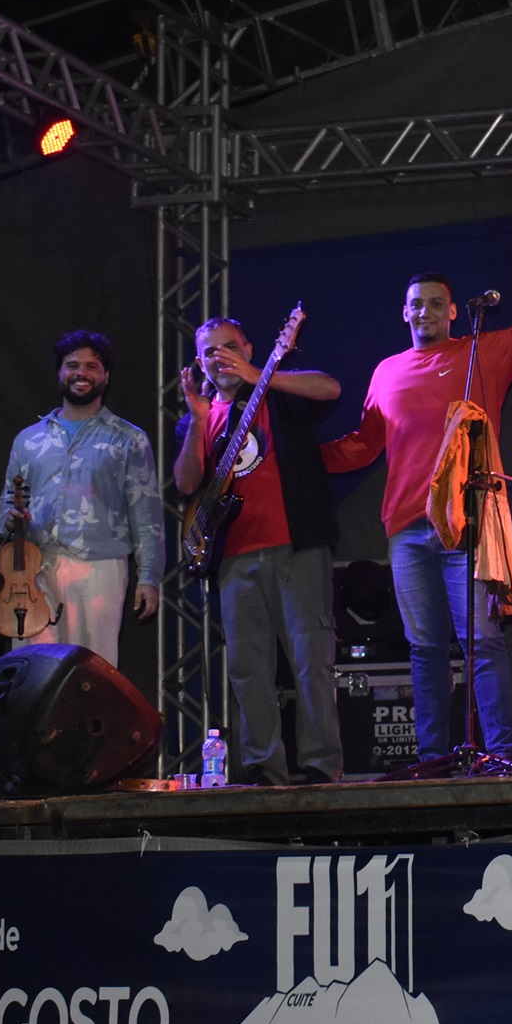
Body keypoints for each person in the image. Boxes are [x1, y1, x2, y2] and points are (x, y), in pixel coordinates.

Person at [322, 212, 512, 765]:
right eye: (416, 304)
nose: (425, 312)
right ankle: (433, 760)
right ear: (403, 311)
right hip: (408, 531)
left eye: (436, 303)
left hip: (468, 524)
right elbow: (363, 446)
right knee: (425, 650)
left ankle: (501, 756)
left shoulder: (483, 351)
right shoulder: (386, 372)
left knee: (482, 643)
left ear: (453, 311)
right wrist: (299, 461)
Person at [173, 317, 345, 786]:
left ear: (249, 349)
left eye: (229, 347)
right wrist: (197, 419)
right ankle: (265, 769)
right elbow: (186, 484)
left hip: (297, 548)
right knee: (248, 669)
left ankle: (321, 767)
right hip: (234, 559)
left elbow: (330, 388)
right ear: (200, 363)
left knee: (311, 661)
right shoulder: (201, 416)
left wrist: (258, 377)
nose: (221, 358)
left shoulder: (279, 396)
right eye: (210, 352)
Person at [0, 330, 162, 667]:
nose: (81, 372)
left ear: (106, 377)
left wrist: (149, 577)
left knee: (91, 670)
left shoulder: (128, 438)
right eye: (72, 365)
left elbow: (147, 515)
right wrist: (9, 519)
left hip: (99, 567)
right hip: (33, 570)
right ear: (60, 373)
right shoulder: (29, 439)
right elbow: (6, 504)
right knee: (32, 669)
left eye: (92, 366)